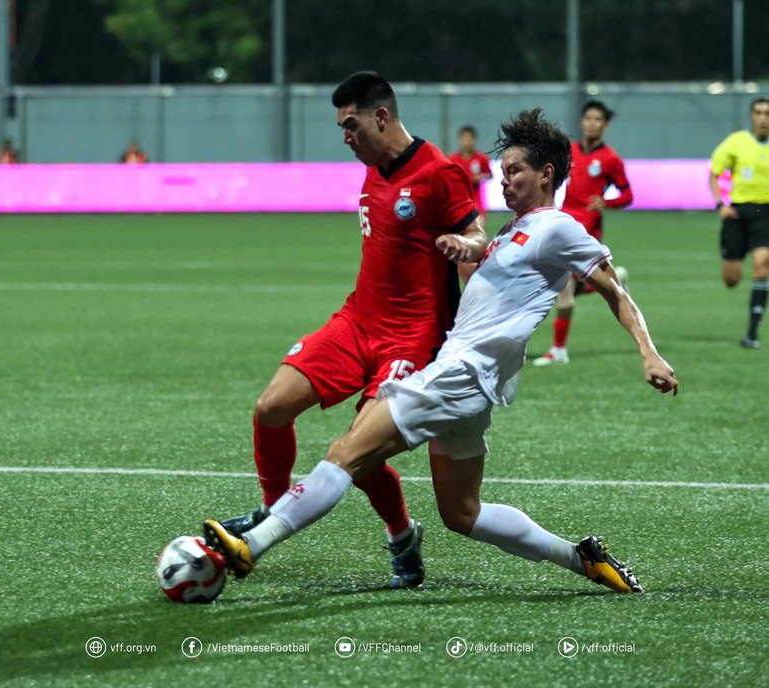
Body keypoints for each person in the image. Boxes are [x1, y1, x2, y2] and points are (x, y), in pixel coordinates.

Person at [205, 109, 678, 596]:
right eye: (501, 173)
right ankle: (582, 560)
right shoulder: (512, 230)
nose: (503, 182)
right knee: (462, 513)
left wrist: (650, 354)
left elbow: (613, 290)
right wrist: (465, 252)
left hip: (460, 375)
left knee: (346, 452)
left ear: (547, 174)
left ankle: (251, 545)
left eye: (514, 172)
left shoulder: (557, 228)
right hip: (469, 383)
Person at [217, 71, 486, 589]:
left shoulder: (439, 172)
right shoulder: (374, 166)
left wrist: (465, 246)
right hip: (357, 321)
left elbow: (477, 233)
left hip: (412, 338)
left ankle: (403, 535)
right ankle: (274, 510)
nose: (344, 138)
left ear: (380, 116)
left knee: (359, 454)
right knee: (270, 409)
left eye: (350, 125)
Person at [534, 100, 633, 366]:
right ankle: (615, 281)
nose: (592, 124)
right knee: (562, 286)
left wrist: (607, 202)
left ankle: (558, 350)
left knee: (563, 286)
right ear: (582, 122)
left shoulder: (610, 159)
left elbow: (628, 194)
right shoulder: (569, 151)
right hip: (561, 223)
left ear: (606, 125)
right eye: (588, 118)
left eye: (597, 120)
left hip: (587, 230)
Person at [709, 97, 769, 348]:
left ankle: (752, 334)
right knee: (731, 279)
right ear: (751, 116)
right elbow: (713, 174)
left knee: (762, 267)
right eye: (758, 112)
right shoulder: (736, 141)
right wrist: (721, 204)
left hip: (765, 212)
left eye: (767, 113)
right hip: (739, 213)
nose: (763, 118)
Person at [448, 126, 492, 217]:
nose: (466, 143)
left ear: (474, 140)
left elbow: (490, 175)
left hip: (476, 202)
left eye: (469, 139)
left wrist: (481, 177)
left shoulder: (481, 158)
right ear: (459, 140)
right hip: (458, 202)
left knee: (479, 229)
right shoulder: (452, 159)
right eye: (464, 139)